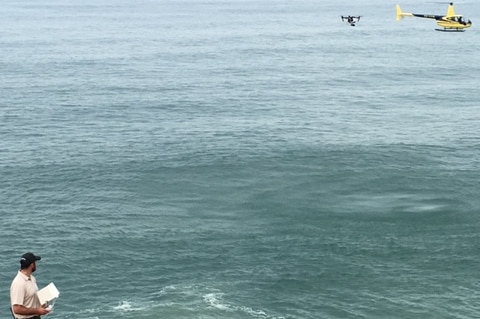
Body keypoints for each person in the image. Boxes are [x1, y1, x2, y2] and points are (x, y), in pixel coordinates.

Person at [10, 252, 51, 319]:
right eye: (35, 262)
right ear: (32, 265)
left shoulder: (31, 278)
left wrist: (42, 304)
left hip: (35, 316)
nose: (36, 264)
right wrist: (37, 310)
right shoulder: (19, 283)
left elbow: (30, 297)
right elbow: (17, 309)